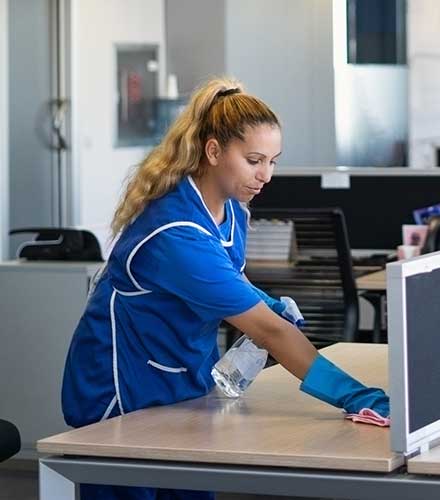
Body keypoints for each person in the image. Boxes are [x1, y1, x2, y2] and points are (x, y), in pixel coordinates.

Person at [62, 77, 389, 500]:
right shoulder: (175, 234)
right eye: (254, 160)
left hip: (183, 383)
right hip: (124, 393)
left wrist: (263, 301)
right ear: (213, 151)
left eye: (273, 161)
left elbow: (226, 277)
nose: (266, 175)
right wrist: (357, 397)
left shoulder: (231, 208)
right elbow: (269, 332)